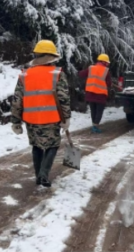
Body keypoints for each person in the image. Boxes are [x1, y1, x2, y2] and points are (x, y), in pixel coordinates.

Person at [11, 40, 71, 187]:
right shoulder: (57, 74)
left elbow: (17, 99)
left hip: (31, 119)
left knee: (36, 146)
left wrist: (15, 121)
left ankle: (39, 175)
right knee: (53, 145)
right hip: (52, 118)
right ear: (52, 57)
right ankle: (43, 174)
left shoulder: (24, 75)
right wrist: (66, 118)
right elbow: (64, 98)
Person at [78, 54, 112, 133]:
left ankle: (94, 126)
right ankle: (95, 127)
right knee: (99, 111)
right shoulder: (106, 71)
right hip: (100, 95)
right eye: (107, 62)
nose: (108, 64)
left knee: (93, 110)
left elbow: (81, 74)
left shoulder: (91, 68)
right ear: (104, 62)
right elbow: (109, 84)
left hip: (90, 94)